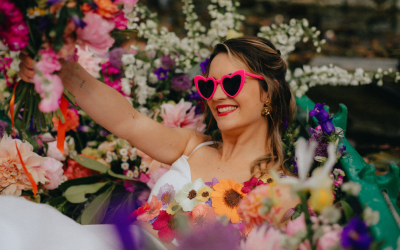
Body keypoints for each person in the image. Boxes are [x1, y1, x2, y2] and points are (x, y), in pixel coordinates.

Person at [15, 36, 299, 249]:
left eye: (232, 83)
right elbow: (128, 121)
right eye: (209, 85)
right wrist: (60, 68)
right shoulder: (192, 144)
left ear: (269, 92)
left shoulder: (283, 192)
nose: (218, 95)